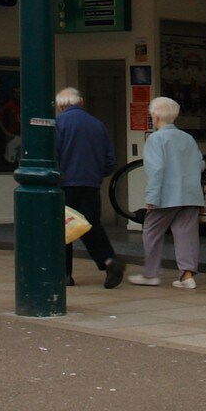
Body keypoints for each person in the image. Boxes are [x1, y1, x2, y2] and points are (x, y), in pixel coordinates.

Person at [54, 87, 125, 289]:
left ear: (60, 105)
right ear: (81, 102)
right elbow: (110, 160)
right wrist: (94, 174)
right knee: (90, 224)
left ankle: (64, 274)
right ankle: (108, 260)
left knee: (63, 226)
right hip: (91, 183)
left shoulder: (58, 123)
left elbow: (54, 154)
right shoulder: (98, 125)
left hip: (65, 183)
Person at [131, 96, 205, 290]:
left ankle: (151, 273)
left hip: (167, 196)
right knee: (186, 234)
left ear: (155, 116)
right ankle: (187, 275)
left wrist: (151, 197)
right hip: (190, 194)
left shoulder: (156, 138)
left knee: (152, 232)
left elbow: (156, 170)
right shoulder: (187, 137)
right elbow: (201, 163)